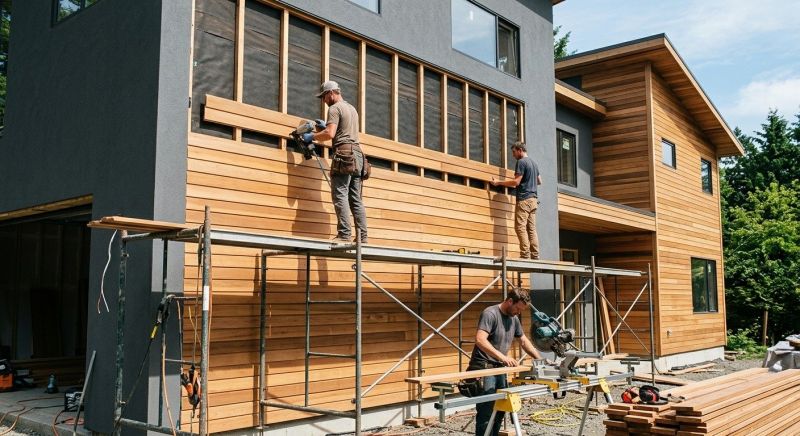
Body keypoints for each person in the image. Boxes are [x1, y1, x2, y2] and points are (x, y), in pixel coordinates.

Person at [467, 288, 543, 436]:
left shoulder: (514, 318)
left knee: (500, 410)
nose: (519, 312)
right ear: (509, 301)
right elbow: (480, 339)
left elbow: (523, 341)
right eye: (517, 308)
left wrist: (540, 360)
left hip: (500, 369)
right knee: (486, 411)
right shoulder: (490, 314)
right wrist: (503, 357)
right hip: (485, 368)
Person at [303, 81, 368, 244]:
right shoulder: (352, 109)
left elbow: (330, 134)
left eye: (324, 96)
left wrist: (312, 136)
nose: (324, 101)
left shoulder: (334, 108)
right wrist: (325, 128)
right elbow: (341, 130)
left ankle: (344, 234)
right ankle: (363, 237)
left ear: (331, 93)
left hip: (344, 153)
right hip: (358, 155)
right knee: (355, 198)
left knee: (340, 193)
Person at [490, 142, 542, 259]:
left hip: (524, 199)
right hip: (533, 200)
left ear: (520, 150)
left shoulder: (521, 162)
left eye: (514, 152)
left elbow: (516, 182)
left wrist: (498, 182)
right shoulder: (534, 163)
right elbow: (539, 181)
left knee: (520, 227)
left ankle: (525, 254)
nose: (513, 155)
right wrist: (530, 180)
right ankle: (535, 255)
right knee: (531, 229)